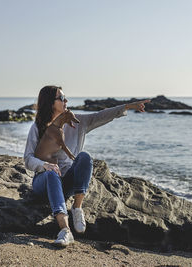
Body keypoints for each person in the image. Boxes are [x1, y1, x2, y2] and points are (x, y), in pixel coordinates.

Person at [24, 85, 149, 247]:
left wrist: (127, 106)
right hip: (44, 183)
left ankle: (77, 208)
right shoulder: (38, 127)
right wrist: (44, 165)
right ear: (50, 102)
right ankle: (65, 230)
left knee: (84, 157)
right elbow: (27, 159)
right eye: (61, 98)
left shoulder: (78, 122)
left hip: (66, 183)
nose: (66, 100)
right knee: (51, 174)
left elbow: (100, 116)